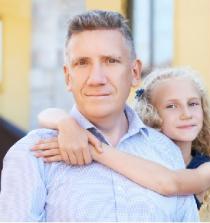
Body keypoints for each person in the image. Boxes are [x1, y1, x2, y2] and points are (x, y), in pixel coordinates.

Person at [0, 10, 197, 221]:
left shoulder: (167, 153)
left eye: (110, 61)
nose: (96, 78)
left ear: (134, 73)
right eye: (82, 63)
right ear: (68, 77)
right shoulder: (34, 154)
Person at [32, 68, 210, 219]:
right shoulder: (134, 149)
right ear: (151, 112)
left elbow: (170, 182)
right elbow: (46, 114)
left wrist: (91, 148)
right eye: (171, 106)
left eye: (193, 104)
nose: (186, 114)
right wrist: (67, 125)